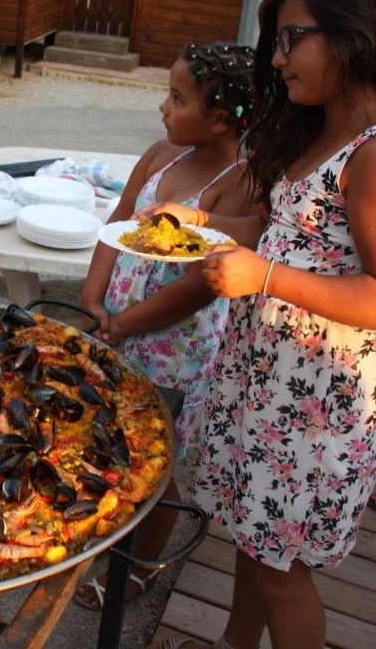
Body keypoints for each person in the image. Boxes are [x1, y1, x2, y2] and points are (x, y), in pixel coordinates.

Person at [150, 0, 376, 649]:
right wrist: (197, 226)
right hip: (266, 385)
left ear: (354, 33)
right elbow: (289, 238)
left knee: (282, 572)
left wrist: (265, 280)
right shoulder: (324, 133)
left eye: (292, 39)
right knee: (253, 546)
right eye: (276, 43)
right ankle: (233, 643)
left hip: (318, 407)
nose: (278, 58)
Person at [74, 42, 260, 610]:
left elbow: (200, 285)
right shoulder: (160, 156)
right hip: (118, 326)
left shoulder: (239, 183)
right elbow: (117, 224)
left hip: (174, 346)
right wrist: (92, 297)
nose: (163, 108)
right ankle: (107, 532)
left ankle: (139, 568)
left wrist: (126, 322)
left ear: (222, 118)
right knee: (110, 436)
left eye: (177, 99)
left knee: (156, 458)